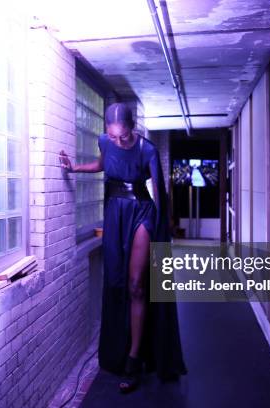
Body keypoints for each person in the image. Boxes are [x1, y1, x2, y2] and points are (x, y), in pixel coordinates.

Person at [59, 102, 187, 393]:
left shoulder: (148, 150)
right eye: (113, 137)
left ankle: (134, 357)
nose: (118, 141)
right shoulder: (105, 141)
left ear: (133, 128)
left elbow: (160, 194)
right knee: (116, 283)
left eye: (123, 137)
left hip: (142, 211)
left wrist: (162, 228)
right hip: (114, 212)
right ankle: (121, 345)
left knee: (136, 284)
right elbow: (103, 164)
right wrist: (74, 167)